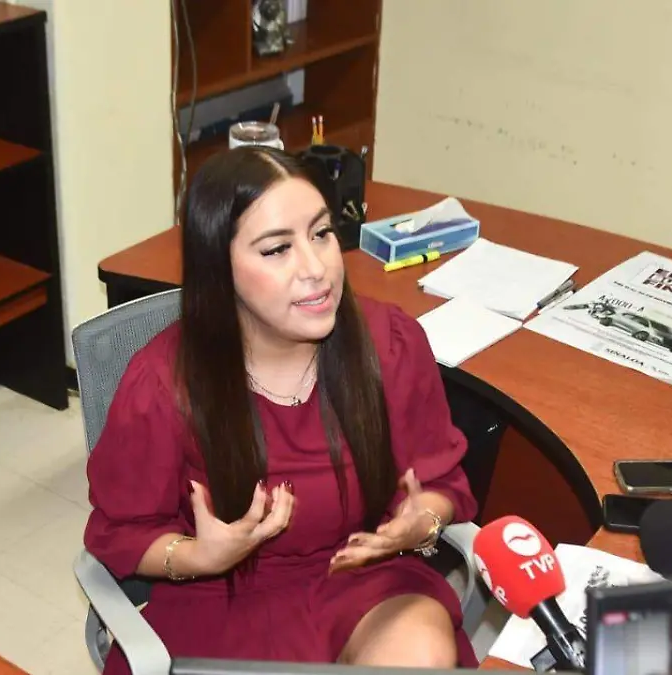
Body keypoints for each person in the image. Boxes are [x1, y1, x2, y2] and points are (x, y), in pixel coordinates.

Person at [83, 146, 479, 674]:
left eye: (321, 234)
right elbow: (120, 533)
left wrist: (422, 521)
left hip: (361, 574)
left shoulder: (390, 345)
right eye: (277, 249)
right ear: (219, 269)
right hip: (221, 598)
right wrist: (200, 555)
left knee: (420, 653)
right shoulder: (162, 386)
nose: (316, 269)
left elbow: (439, 480)